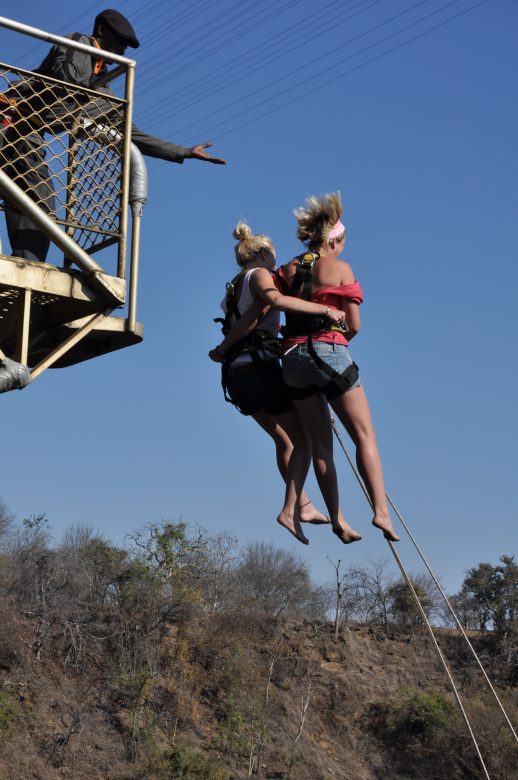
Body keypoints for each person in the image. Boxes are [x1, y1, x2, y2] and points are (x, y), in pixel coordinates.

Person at [0, 9, 226, 262]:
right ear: (101, 31)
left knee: (39, 205)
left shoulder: (103, 92)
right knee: (35, 197)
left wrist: (183, 151)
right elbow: (66, 77)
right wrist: (88, 93)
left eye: (125, 47)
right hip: (9, 119)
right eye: (119, 42)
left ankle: (25, 268)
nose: (121, 52)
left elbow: (131, 132)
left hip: (27, 135)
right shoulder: (77, 43)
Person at [209, 222, 348, 545]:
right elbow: (268, 307)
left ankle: (304, 505)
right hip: (259, 368)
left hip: (236, 375)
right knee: (305, 442)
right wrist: (324, 310)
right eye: (272, 254)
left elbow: (248, 316)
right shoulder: (259, 275)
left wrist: (222, 349)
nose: (276, 260)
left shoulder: (232, 286)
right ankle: (291, 509)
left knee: (284, 441)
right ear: (260, 253)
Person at [275, 192, 399, 544]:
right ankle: (381, 511)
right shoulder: (340, 269)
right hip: (329, 352)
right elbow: (354, 326)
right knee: (364, 435)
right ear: (335, 240)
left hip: (293, 359)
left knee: (319, 445)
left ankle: (337, 518)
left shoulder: (287, 269)